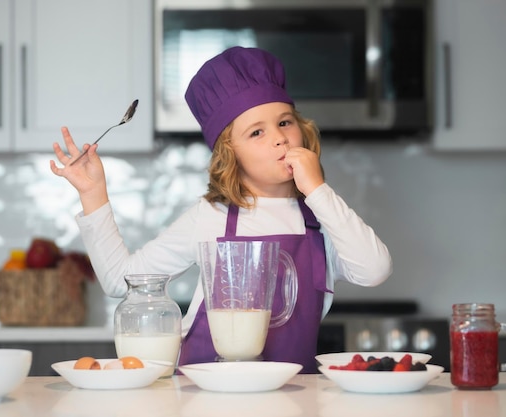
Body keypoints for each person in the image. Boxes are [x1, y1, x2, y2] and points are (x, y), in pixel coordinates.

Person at [50, 46, 392, 373]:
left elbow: (374, 271)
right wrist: (93, 193)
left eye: (285, 122)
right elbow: (120, 281)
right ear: (231, 154)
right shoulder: (210, 216)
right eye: (257, 131)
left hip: (291, 398)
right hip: (203, 395)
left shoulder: (322, 221)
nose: (279, 138)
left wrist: (317, 190)